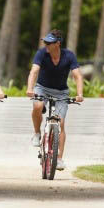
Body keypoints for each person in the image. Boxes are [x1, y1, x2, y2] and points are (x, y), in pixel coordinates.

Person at [26, 29, 84, 170]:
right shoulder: (42, 53)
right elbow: (34, 71)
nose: (46, 45)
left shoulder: (69, 56)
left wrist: (79, 94)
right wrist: (30, 89)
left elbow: (77, 76)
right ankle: (37, 133)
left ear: (58, 43)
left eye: (49, 42)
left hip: (61, 92)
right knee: (38, 107)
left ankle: (58, 159)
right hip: (42, 88)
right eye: (45, 42)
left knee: (61, 123)